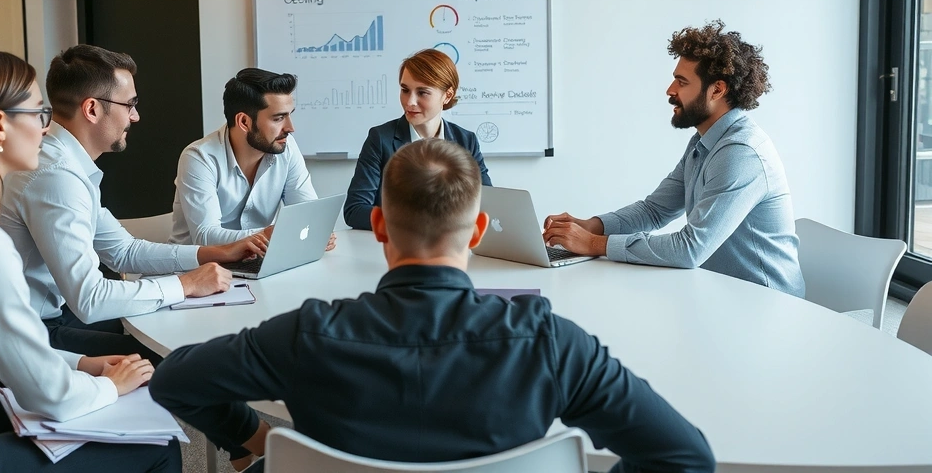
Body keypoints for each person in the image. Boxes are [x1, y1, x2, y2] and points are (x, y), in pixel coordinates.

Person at [150, 139, 715, 473]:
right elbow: (686, 458)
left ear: (376, 227)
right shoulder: (550, 342)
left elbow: (173, 381)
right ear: (478, 233)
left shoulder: (308, 333)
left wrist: (263, 439)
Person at [0, 47, 179, 473]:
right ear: (0, 125)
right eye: (39, 114)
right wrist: (107, 386)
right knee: (158, 445)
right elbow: (48, 395)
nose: (47, 128)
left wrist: (81, 365)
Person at [0, 45, 257, 361]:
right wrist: (186, 284)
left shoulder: (66, 165)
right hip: (27, 334)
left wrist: (214, 253)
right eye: (130, 104)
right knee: (179, 359)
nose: (136, 116)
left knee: (165, 328)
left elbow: (123, 251)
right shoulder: (56, 177)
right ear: (92, 109)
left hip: (49, 315)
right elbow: (91, 298)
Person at [543, 20, 804, 296]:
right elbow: (654, 210)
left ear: (717, 90)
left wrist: (594, 243)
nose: (670, 90)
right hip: (723, 294)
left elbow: (690, 249)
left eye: (682, 82)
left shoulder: (742, 153)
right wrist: (588, 225)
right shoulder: (704, 142)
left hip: (767, 304)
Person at [169, 68, 335, 254]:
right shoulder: (199, 157)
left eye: (289, 115)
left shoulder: (286, 147)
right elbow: (206, 237)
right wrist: (275, 234)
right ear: (244, 122)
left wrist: (318, 231)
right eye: (279, 118)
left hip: (259, 262)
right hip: (198, 270)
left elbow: (308, 215)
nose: (290, 128)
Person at [343, 48, 491, 230]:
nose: (409, 102)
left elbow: (487, 205)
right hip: (395, 249)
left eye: (422, 92)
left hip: (451, 247)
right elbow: (355, 210)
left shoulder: (466, 141)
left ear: (448, 95)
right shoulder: (381, 139)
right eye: (405, 90)